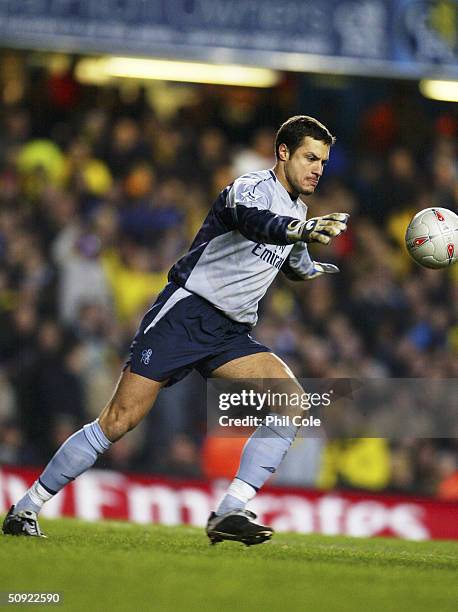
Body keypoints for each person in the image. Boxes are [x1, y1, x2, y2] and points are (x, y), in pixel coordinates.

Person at [3, 115, 349, 545]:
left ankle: (229, 510)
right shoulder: (251, 188)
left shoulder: (298, 210)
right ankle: (26, 508)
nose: (318, 168)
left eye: (323, 162)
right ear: (283, 153)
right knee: (118, 421)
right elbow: (257, 222)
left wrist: (309, 266)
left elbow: (292, 256)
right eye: (310, 158)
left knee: (293, 404)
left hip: (229, 333)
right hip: (185, 316)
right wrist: (301, 230)